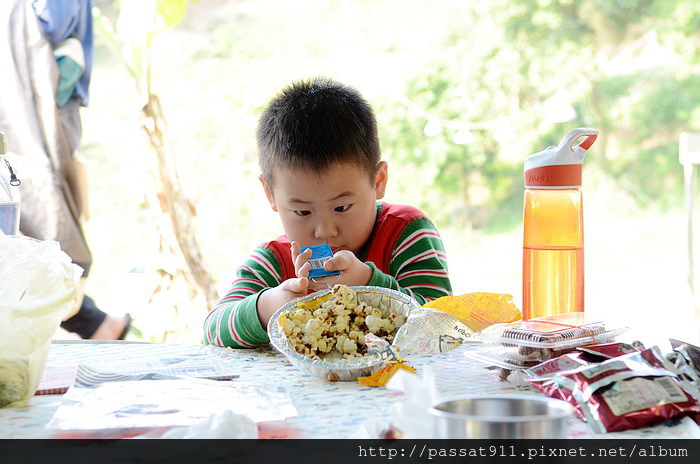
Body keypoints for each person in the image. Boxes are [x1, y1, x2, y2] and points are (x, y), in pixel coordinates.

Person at [204, 77, 452, 348]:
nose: (325, 230)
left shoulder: (406, 233)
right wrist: (267, 307)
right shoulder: (273, 262)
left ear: (378, 181)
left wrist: (370, 286)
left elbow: (444, 324)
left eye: (342, 207)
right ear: (270, 195)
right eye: (301, 211)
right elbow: (212, 330)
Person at [0, 0, 129, 339]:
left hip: (36, 114)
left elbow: (49, 24)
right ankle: (98, 324)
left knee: (36, 214)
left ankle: (96, 323)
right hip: (25, 106)